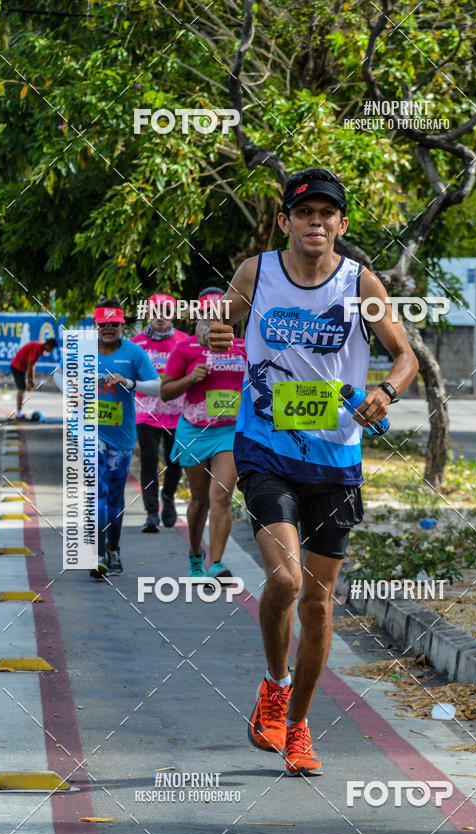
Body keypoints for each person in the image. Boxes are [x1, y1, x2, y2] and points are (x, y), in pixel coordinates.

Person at [199, 167, 419, 776]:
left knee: (319, 607)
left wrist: (386, 393)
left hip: (337, 460)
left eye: (327, 214)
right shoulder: (256, 272)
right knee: (289, 581)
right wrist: (215, 333)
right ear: (285, 222)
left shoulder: (360, 282)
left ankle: (296, 724)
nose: (316, 222)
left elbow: (404, 357)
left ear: (341, 225)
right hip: (265, 448)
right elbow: (217, 328)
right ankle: (275, 680)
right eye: (305, 213)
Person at [160, 287, 246, 580]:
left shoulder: (243, 348)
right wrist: (190, 378)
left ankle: (216, 563)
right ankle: (196, 554)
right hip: (194, 431)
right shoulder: (185, 349)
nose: (214, 322)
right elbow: (166, 391)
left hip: (229, 432)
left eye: (220, 315)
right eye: (208, 316)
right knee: (200, 501)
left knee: (221, 494)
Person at [90, 302, 160, 578]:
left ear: (122, 325)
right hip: (90, 434)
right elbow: (59, 373)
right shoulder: (83, 351)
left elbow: (156, 386)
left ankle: (113, 548)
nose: (108, 328)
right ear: (96, 325)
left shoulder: (133, 353)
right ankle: (97, 553)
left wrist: (131, 384)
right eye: (103, 324)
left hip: (121, 437)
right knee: (98, 491)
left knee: (114, 495)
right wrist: (74, 388)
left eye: (114, 324)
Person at [130, 295, 187, 533]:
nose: (160, 317)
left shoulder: (184, 341)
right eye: (155, 312)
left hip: (177, 412)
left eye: (165, 312)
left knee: (175, 461)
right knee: (149, 459)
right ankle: (152, 512)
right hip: (145, 412)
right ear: (148, 314)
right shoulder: (136, 344)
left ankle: (169, 496)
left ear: (173, 314)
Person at [10, 337, 58, 418]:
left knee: (22, 389)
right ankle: (18, 414)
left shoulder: (39, 347)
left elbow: (32, 365)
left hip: (20, 366)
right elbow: (30, 364)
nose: (51, 351)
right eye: (52, 349)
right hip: (17, 366)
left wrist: (32, 380)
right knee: (21, 389)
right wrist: (29, 381)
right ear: (49, 346)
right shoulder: (38, 348)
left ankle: (19, 413)